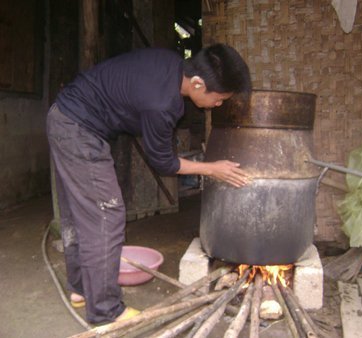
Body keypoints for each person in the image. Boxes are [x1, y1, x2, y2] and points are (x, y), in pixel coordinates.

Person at [46, 43, 252, 324]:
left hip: (64, 116)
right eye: (219, 98)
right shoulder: (162, 103)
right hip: (78, 129)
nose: (219, 104)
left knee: (79, 212)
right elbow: (164, 162)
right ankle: (107, 312)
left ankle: (81, 289)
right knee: (106, 215)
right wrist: (211, 169)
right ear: (197, 83)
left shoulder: (169, 62)